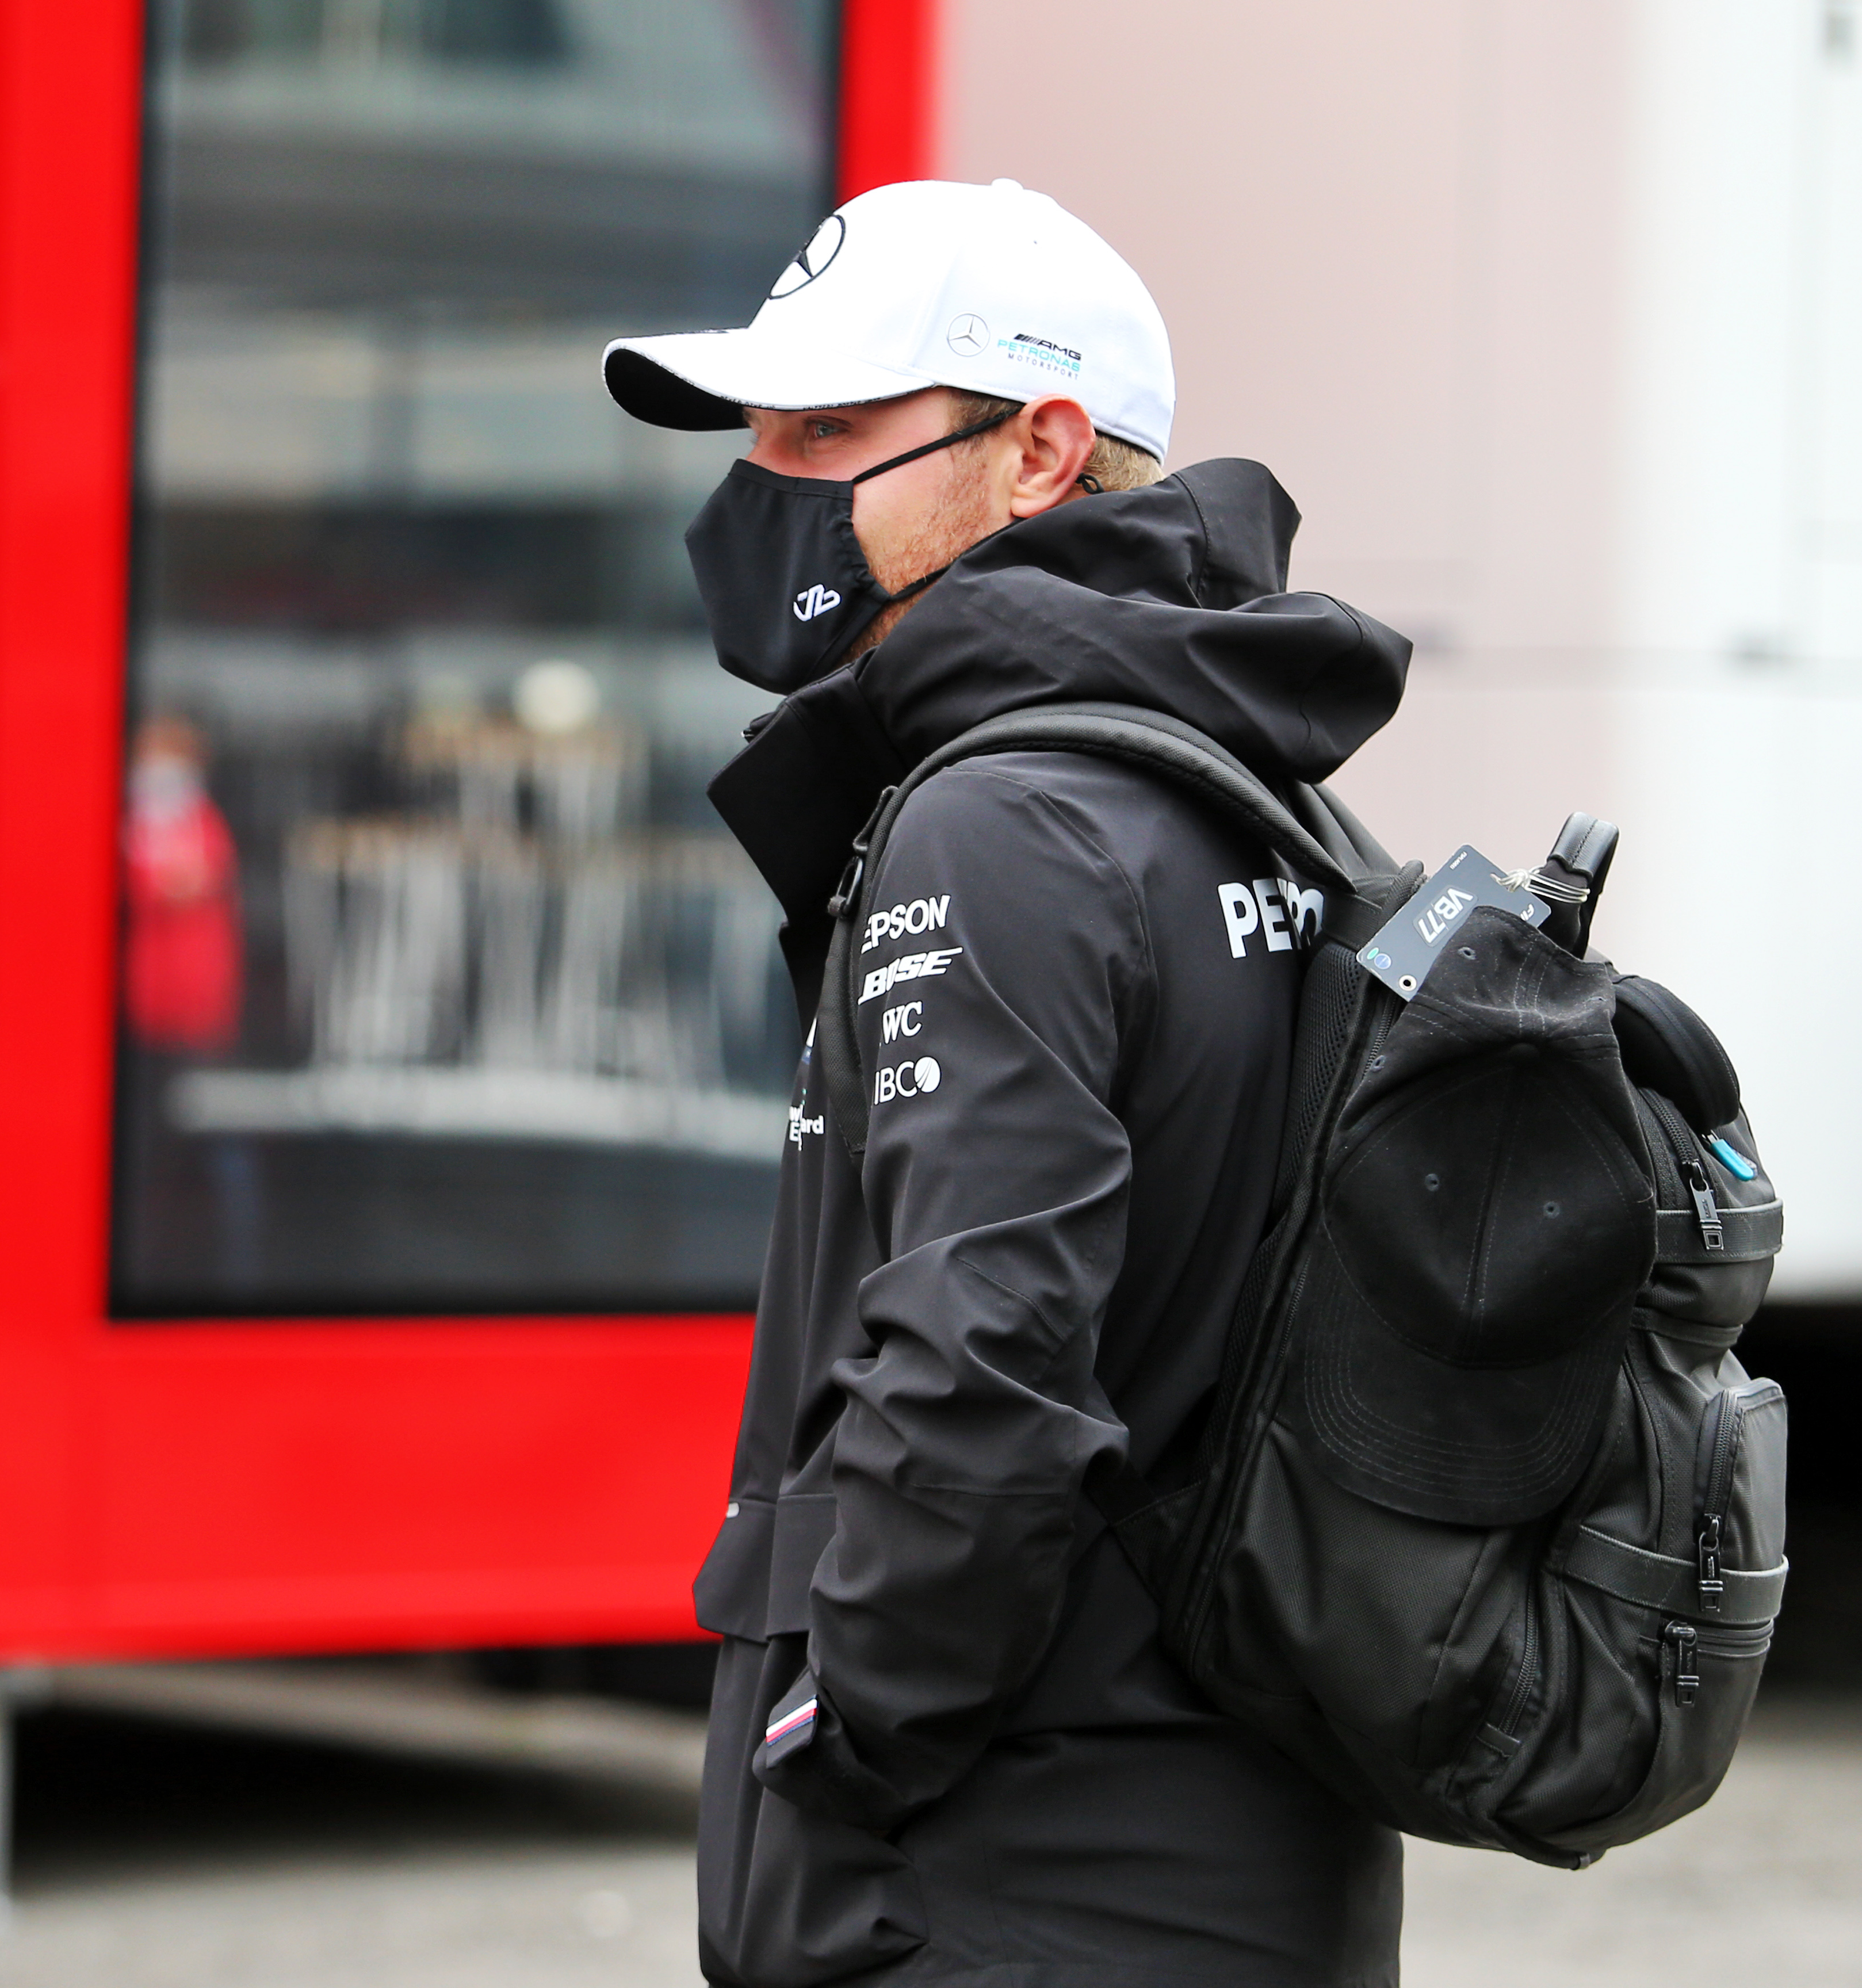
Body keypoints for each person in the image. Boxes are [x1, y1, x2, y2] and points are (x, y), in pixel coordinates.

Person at [604, 179, 1410, 1984]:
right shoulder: (1270, 799)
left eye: (829, 428)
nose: (763, 484)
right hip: (1245, 1864)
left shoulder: (1000, 821)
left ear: (1042, 448)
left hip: (1002, 1893)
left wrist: (838, 1740)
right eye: (759, 431)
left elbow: (979, 1366)